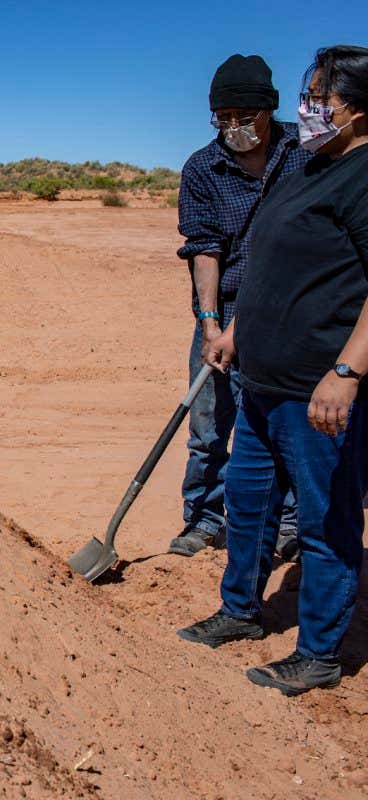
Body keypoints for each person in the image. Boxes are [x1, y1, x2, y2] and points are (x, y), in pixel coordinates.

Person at [179, 46, 368, 696]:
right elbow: (264, 262)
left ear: (358, 109)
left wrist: (346, 371)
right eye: (307, 96)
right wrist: (230, 327)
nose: (308, 109)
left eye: (321, 97)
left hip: (318, 389)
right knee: (250, 504)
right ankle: (239, 611)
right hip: (259, 376)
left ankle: (317, 651)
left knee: (324, 520)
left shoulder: (365, 173)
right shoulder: (311, 164)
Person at [170, 54, 309, 558]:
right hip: (224, 312)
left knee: (290, 426)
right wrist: (210, 323)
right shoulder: (203, 167)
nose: (233, 127)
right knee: (208, 425)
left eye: (243, 117)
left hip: (296, 316)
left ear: (268, 110)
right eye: (222, 117)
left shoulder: (309, 153)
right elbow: (203, 248)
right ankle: (204, 518)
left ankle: (292, 522)